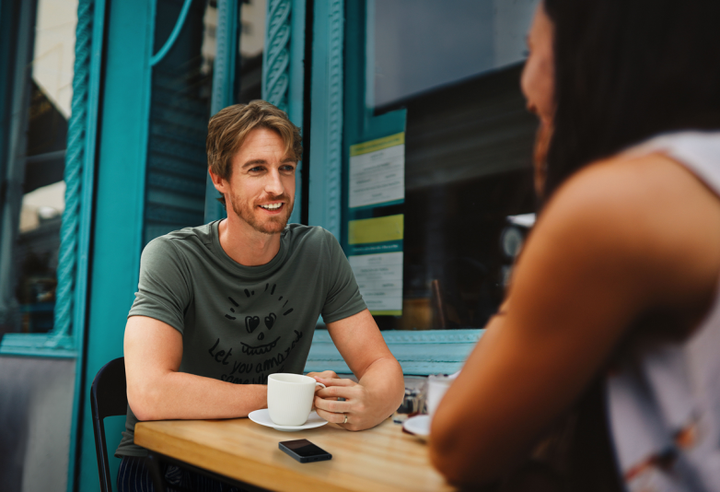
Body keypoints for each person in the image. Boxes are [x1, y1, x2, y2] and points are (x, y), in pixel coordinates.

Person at [430, 1, 720, 491]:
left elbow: (458, 446)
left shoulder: (617, 207)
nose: (524, 93)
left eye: (531, 52)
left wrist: (554, 212)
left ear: (584, 54)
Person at [115, 100, 404, 491]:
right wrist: (290, 395)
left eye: (286, 168)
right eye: (256, 169)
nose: (277, 187)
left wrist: (372, 402)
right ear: (220, 179)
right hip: (172, 462)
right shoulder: (173, 256)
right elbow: (150, 393)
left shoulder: (318, 252)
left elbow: (381, 366)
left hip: (267, 454)